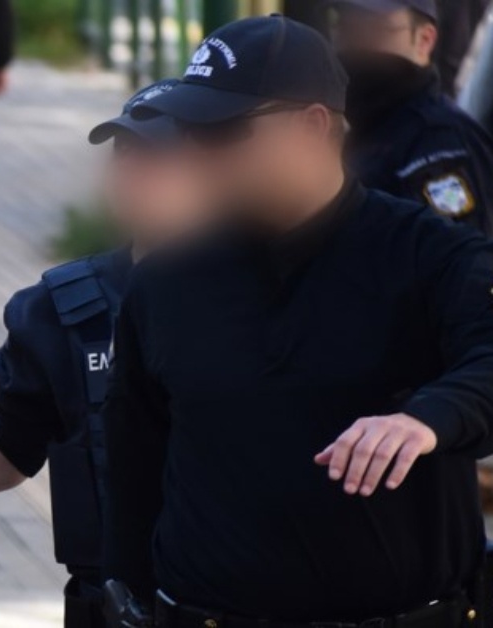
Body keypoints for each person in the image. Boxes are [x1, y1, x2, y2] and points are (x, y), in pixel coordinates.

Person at [106, 15, 493, 626]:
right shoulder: (164, 281)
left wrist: (427, 419)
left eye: (223, 129)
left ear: (312, 126)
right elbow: (133, 468)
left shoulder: (427, 256)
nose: (199, 151)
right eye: (190, 128)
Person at [0, 79, 213, 628]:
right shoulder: (60, 309)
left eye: (158, 158)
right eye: (124, 153)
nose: (131, 172)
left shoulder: (260, 297)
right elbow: (10, 451)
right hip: (109, 607)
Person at [330, 0, 493, 233]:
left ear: (424, 40)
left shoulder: (438, 143)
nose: (358, 43)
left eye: (375, 29)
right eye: (347, 28)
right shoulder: (343, 130)